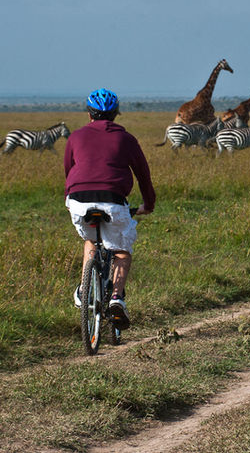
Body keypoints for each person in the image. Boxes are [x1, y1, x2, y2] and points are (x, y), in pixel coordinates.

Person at [65, 88, 155, 329]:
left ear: (88, 114)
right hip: (113, 201)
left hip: (78, 200)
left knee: (91, 242)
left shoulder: (75, 137)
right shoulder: (127, 139)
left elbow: (68, 170)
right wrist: (149, 204)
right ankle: (116, 298)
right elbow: (143, 176)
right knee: (122, 250)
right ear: (116, 114)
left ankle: (85, 289)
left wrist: (72, 197)